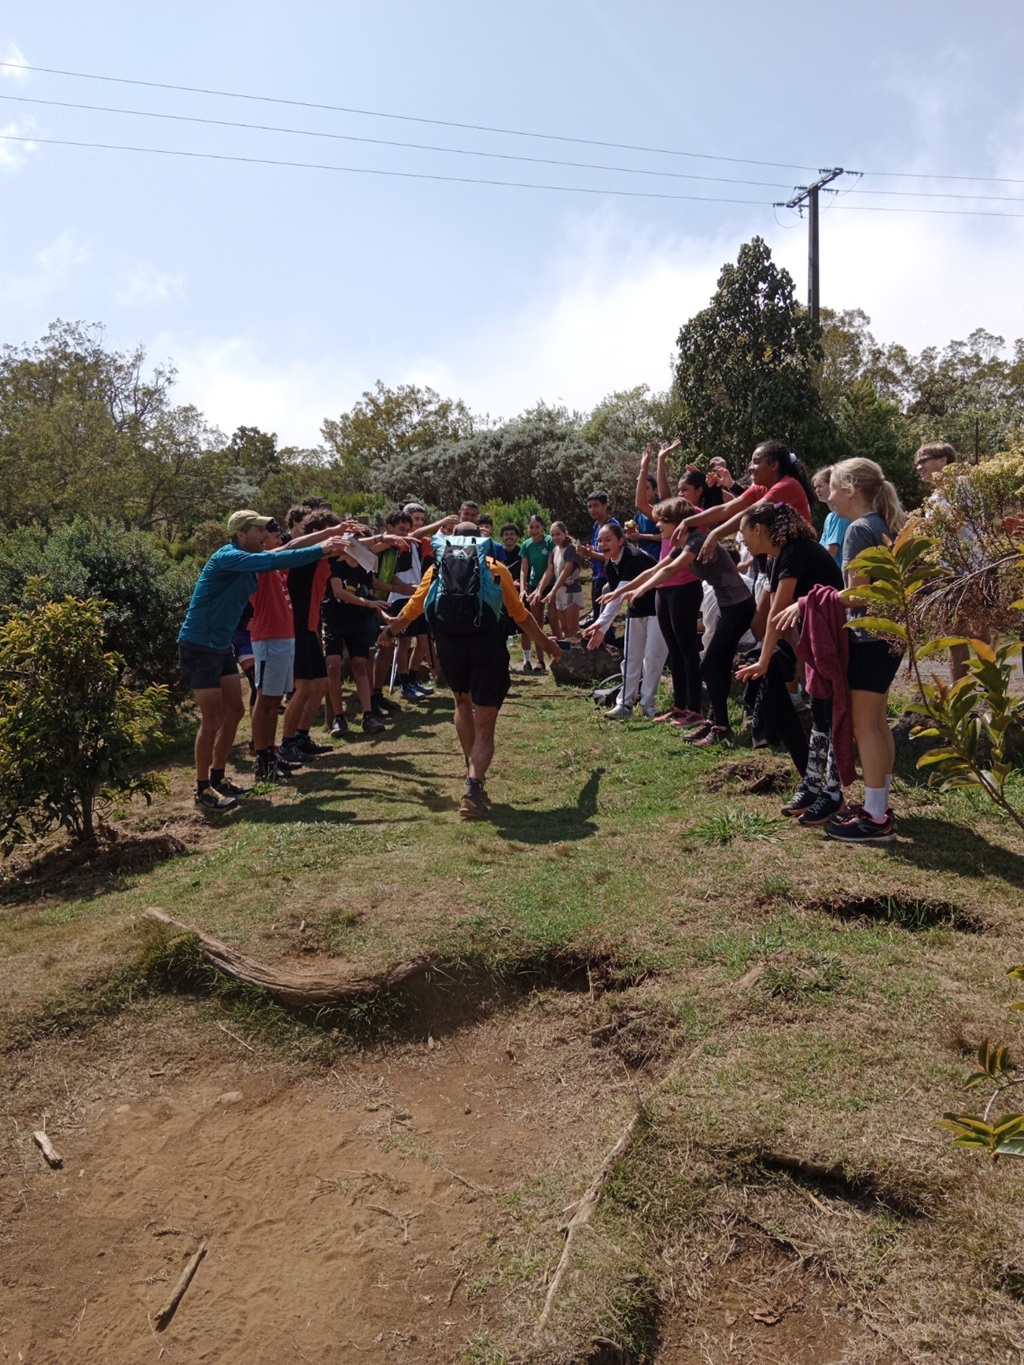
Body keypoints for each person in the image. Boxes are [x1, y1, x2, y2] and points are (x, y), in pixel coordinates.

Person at [378, 522, 561, 818]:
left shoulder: (436, 569)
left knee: (461, 702)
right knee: (486, 725)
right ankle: (473, 788)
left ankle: (471, 773)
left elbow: (412, 608)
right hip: (486, 644)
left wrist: (390, 633)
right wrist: (548, 645)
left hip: (449, 646)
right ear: (480, 541)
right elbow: (521, 615)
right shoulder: (496, 568)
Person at [178, 509, 348, 811]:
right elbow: (275, 559)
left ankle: (218, 779)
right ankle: (202, 790)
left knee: (235, 710)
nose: (265, 534)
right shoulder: (229, 557)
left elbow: (287, 549)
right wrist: (323, 549)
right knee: (213, 717)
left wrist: (326, 537)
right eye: (258, 530)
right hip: (199, 644)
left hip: (219, 646)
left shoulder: (250, 557)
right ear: (242, 534)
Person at [605, 499, 755, 744]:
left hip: (738, 607)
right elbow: (655, 569)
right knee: (716, 664)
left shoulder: (695, 542)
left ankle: (719, 726)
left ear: (679, 524)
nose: (658, 526)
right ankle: (714, 723)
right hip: (726, 606)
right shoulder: (681, 545)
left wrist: (642, 591)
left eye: (662, 521)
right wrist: (620, 592)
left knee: (708, 665)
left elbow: (670, 571)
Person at [735, 502, 846, 823]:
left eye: (743, 532)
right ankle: (814, 784)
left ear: (758, 529)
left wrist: (765, 659)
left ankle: (832, 793)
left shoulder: (796, 551)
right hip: (817, 642)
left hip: (837, 639)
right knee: (820, 715)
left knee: (829, 715)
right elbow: (776, 615)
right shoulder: (776, 558)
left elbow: (777, 613)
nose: (742, 540)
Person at [821, 458, 907, 844]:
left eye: (834, 488)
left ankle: (875, 819)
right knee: (876, 723)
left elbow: (860, 592)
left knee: (862, 726)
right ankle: (879, 803)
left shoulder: (858, 528)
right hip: (890, 636)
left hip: (870, 637)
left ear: (852, 488)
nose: (829, 497)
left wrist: (813, 600)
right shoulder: (882, 523)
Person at [636, 446, 709, 725]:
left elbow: (664, 499)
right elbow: (646, 503)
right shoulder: (672, 514)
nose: (679, 494)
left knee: (687, 648)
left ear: (698, 491)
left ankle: (695, 709)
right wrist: (653, 464)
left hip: (685, 586)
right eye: (679, 489)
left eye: (685, 489)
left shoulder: (696, 516)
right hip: (663, 588)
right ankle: (680, 707)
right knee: (674, 649)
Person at [582, 522, 665, 720]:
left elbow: (620, 594)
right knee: (631, 658)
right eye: (599, 540)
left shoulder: (634, 557)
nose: (602, 544)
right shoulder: (610, 564)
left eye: (608, 539)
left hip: (657, 610)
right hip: (636, 612)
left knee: (653, 658)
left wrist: (601, 624)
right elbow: (614, 597)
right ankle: (624, 705)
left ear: (620, 541)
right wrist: (602, 626)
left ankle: (648, 704)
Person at [519, 515, 555, 672]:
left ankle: (559, 656)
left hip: (551, 584)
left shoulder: (549, 541)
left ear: (543, 528)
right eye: (531, 527)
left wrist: (542, 588)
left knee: (553, 620)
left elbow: (551, 566)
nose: (534, 530)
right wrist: (523, 588)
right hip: (534, 586)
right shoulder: (526, 545)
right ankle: (540, 662)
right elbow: (524, 569)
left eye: (537, 527)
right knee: (537, 622)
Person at [540, 521, 584, 639]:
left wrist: (553, 591)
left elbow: (566, 570)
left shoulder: (571, 549)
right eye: (552, 535)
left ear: (565, 533)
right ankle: (569, 654)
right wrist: (539, 590)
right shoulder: (555, 550)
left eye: (558, 534)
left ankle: (579, 654)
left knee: (572, 628)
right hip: (560, 592)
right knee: (564, 627)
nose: (555, 538)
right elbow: (551, 571)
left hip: (571, 590)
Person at [813, 466, 852, 561]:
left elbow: (831, 551)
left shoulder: (840, 515)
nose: (817, 490)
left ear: (832, 486)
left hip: (837, 572)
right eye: (815, 487)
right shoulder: (830, 516)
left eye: (820, 486)